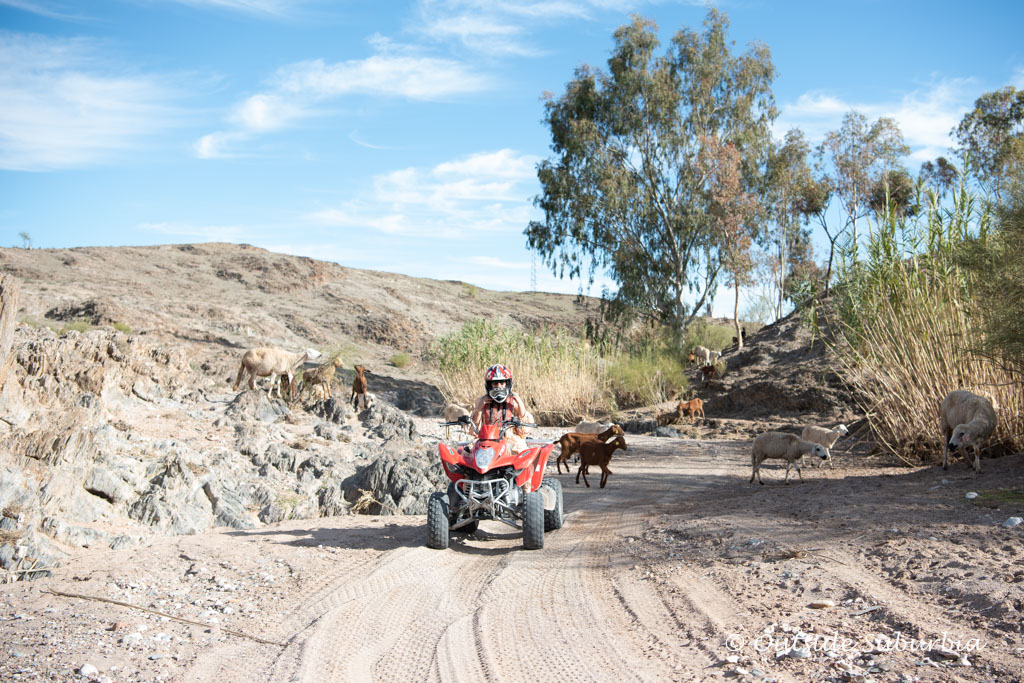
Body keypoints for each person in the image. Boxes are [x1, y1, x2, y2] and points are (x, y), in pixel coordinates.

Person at [469, 363, 531, 453]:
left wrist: (519, 401)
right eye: (495, 383)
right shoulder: (482, 401)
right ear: (489, 385)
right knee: (467, 451)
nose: (499, 387)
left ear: (507, 384)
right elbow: (474, 428)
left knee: (524, 452)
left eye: (502, 383)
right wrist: (478, 409)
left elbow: (523, 425)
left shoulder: (513, 401)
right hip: (486, 439)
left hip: (509, 439)